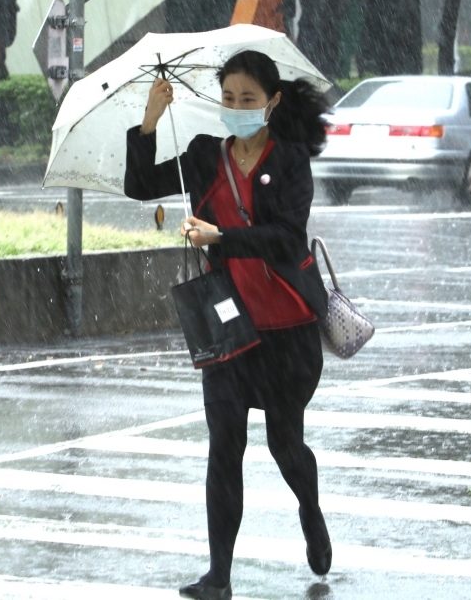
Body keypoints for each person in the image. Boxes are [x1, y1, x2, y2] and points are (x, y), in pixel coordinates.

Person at [124, 50, 332, 600]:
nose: (237, 108)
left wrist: (221, 236)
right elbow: (142, 184)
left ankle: (309, 510)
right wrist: (149, 120)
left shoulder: (288, 161)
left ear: (272, 103)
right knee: (224, 450)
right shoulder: (204, 158)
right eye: (229, 98)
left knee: (285, 445)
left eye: (248, 99)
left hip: (287, 331)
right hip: (229, 330)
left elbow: (288, 239)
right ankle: (218, 575)